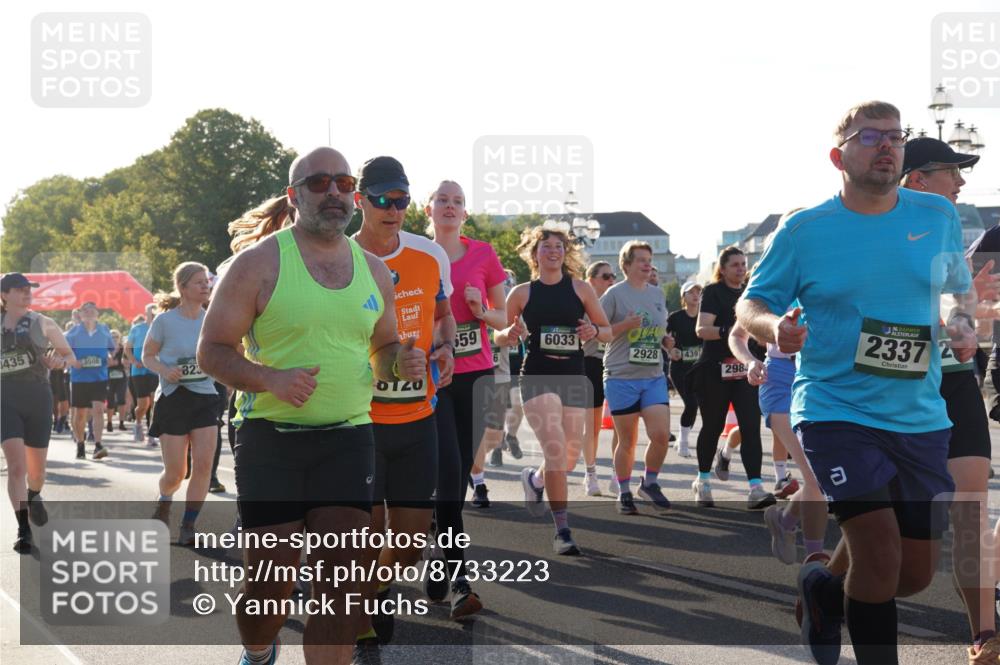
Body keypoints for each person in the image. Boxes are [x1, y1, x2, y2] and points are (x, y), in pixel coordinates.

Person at [737, 100, 973, 665]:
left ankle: (824, 589)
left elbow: (952, 288)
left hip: (919, 412)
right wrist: (776, 331)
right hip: (835, 409)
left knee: (911, 574)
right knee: (879, 550)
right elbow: (753, 303)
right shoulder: (804, 229)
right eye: (871, 136)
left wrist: (957, 317)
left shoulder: (935, 216)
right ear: (838, 155)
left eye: (896, 136)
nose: (887, 145)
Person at [199, 146, 422, 665]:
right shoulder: (256, 265)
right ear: (293, 195)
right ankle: (258, 652)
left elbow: (384, 347)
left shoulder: (373, 271)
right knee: (269, 587)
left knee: (341, 586)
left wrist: (399, 363)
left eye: (344, 183)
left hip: (348, 435)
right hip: (269, 438)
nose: (335, 193)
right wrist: (268, 378)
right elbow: (211, 350)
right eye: (319, 183)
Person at [900, 137, 998, 662]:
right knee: (886, 531)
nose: (961, 183)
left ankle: (984, 631)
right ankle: (829, 579)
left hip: (954, 383)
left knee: (969, 513)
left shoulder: (951, 233)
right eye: (951, 172)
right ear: (917, 179)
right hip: (894, 389)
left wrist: (962, 325)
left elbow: (960, 301)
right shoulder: (873, 232)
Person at [352, 156, 455, 654]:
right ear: (360, 202)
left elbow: (442, 314)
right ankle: (363, 605)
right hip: (361, 422)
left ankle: (374, 586)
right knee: (367, 539)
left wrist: (447, 346)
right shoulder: (337, 259)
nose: (395, 209)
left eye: (402, 200)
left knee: (410, 545)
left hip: (419, 416)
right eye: (383, 200)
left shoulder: (429, 254)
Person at [499, 224, 610, 552]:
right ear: (534, 254)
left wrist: (593, 330)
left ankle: (534, 480)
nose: (553, 251)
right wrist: (510, 333)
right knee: (557, 450)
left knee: (570, 454)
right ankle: (562, 530)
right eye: (545, 246)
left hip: (573, 376)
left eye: (558, 246)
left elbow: (606, 330)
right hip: (536, 376)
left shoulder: (581, 289)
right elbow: (499, 336)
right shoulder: (521, 293)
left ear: (566, 252)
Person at [427, 179, 506, 614]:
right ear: (429, 208)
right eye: (443, 200)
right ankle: (461, 582)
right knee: (448, 471)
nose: (451, 206)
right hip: (434, 378)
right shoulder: (416, 252)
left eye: (458, 201)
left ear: (465, 213)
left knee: (455, 482)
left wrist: (480, 311)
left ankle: (440, 560)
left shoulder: (483, 255)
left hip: (477, 375)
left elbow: (502, 317)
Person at [143, 262, 222, 546]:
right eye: (199, 282)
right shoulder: (164, 321)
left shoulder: (213, 318)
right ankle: (165, 500)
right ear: (183, 287)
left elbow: (229, 350)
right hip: (174, 399)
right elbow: (148, 356)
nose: (205, 286)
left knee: (203, 465)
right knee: (177, 472)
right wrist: (165, 371)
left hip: (205, 397)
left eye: (207, 281)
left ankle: (189, 524)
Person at [690, 246, 774, 510]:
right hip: (715, 369)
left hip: (745, 370)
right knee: (713, 427)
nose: (741, 268)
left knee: (751, 427)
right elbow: (702, 330)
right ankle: (703, 481)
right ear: (723, 269)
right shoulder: (713, 292)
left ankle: (756, 488)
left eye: (743, 264)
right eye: (735, 264)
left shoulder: (752, 293)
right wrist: (732, 332)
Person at [2, 273, 76, 553]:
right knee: (16, 467)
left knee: (37, 472)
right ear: (4, 295)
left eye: (28, 289)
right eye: (19, 290)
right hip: (5, 399)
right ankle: (23, 529)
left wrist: (59, 362)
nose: (26, 293)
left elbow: (71, 357)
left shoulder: (43, 322)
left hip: (37, 397)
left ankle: (34, 495)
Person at [599, 241, 673, 515]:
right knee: (627, 441)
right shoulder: (614, 295)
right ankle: (624, 491)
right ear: (626, 265)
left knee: (661, 435)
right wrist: (624, 326)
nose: (647, 264)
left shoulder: (657, 294)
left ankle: (649, 482)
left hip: (652, 375)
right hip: (621, 376)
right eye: (640, 260)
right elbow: (599, 331)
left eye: (649, 259)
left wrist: (666, 341)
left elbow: (657, 329)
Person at [581, 261, 616, 495]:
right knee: (592, 426)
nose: (611, 280)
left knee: (623, 427)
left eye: (613, 276)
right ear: (591, 279)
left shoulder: (617, 300)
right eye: (605, 276)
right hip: (590, 363)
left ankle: (617, 474)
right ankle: (590, 473)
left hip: (616, 365)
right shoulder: (582, 302)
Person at [65, 301, 115, 460]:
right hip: (79, 378)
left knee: (98, 410)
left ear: (97, 314)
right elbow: (65, 352)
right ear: (80, 314)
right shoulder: (73, 333)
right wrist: (74, 362)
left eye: (92, 310)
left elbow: (112, 350)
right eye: (85, 310)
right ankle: (80, 444)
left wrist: (109, 358)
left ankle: (98, 444)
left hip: (99, 377)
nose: (89, 313)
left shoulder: (104, 330)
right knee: (80, 414)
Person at [667, 281, 702, 457]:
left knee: (694, 405)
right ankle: (683, 443)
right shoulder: (675, 317)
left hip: (699, 368)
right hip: (680, 368)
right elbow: (662, 336)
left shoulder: (706, 317)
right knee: (691, 403)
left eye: (698, 292)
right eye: (691, 292)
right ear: (684, 297)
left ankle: (682, 437)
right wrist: (670, 350)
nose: (695, 295)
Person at [126, 303, 159, 446]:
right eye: (150, 313)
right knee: (143, 404)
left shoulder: (161, 328)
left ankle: (152, 433)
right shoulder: (137, 329)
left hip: (155, 369)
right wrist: (134, 361)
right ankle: (138, 423)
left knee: (154, 402)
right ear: (146, 314)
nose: (153, 315)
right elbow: (127, 350)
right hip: (139, 371)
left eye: (155, 313)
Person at [106, 330, 129, 432]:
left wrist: (122, 362)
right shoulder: (106, 348)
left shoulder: (123, 349)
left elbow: (127, 362)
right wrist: (110, 361)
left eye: (116, 336)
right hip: (108, 377)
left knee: (121, 399)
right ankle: (109, 423)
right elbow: (104, 363)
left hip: (121, 377)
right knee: (110, 400)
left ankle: (121, 423)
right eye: (112, 336)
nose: (114, 338)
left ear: (119, 337)